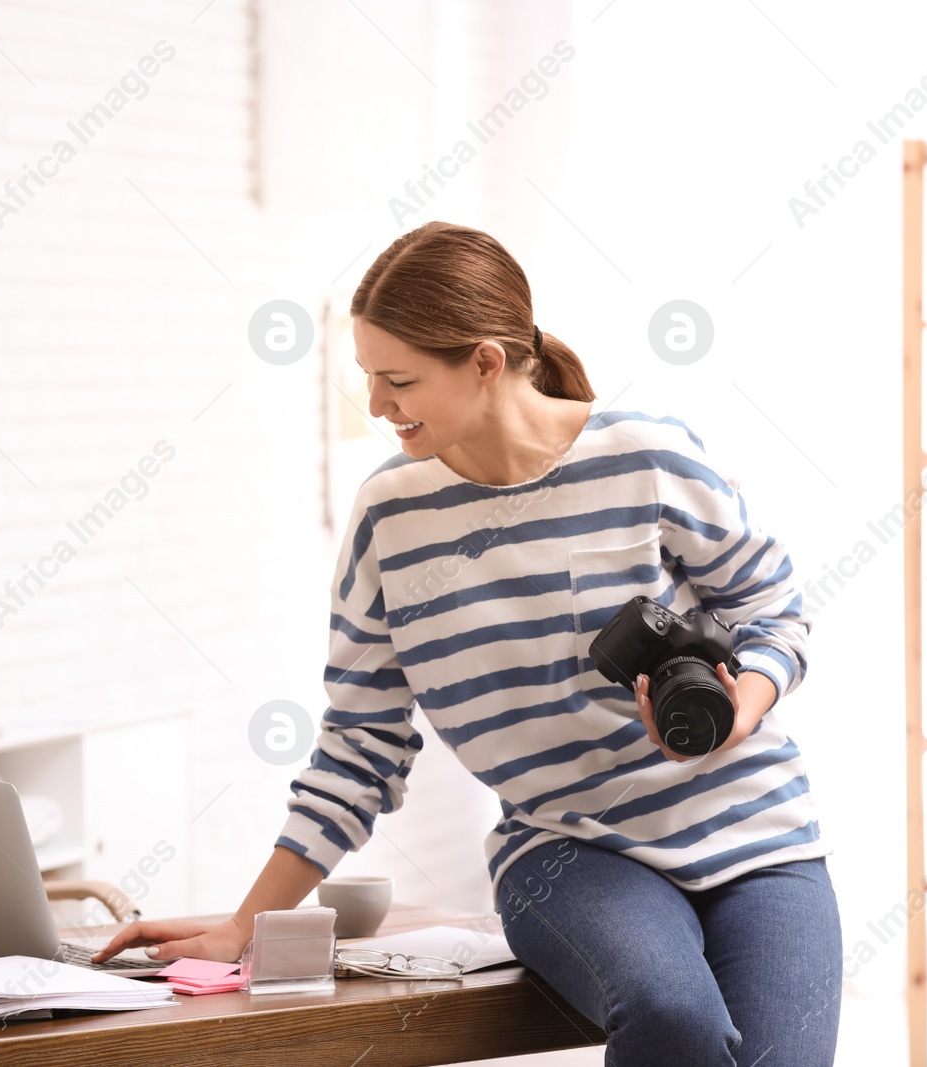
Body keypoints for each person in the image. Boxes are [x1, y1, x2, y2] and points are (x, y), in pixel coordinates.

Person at [96, 221, 841, 1066]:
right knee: (672, 1014)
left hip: (758, 835)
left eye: (397, 379)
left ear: (486, 361)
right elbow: (361, 743)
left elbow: (773, 606)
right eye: (368, 377)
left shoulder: (646, 456)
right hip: (568, 848)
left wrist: (747, 699)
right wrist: (243, 922)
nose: (376, 404)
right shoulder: (393, 516)